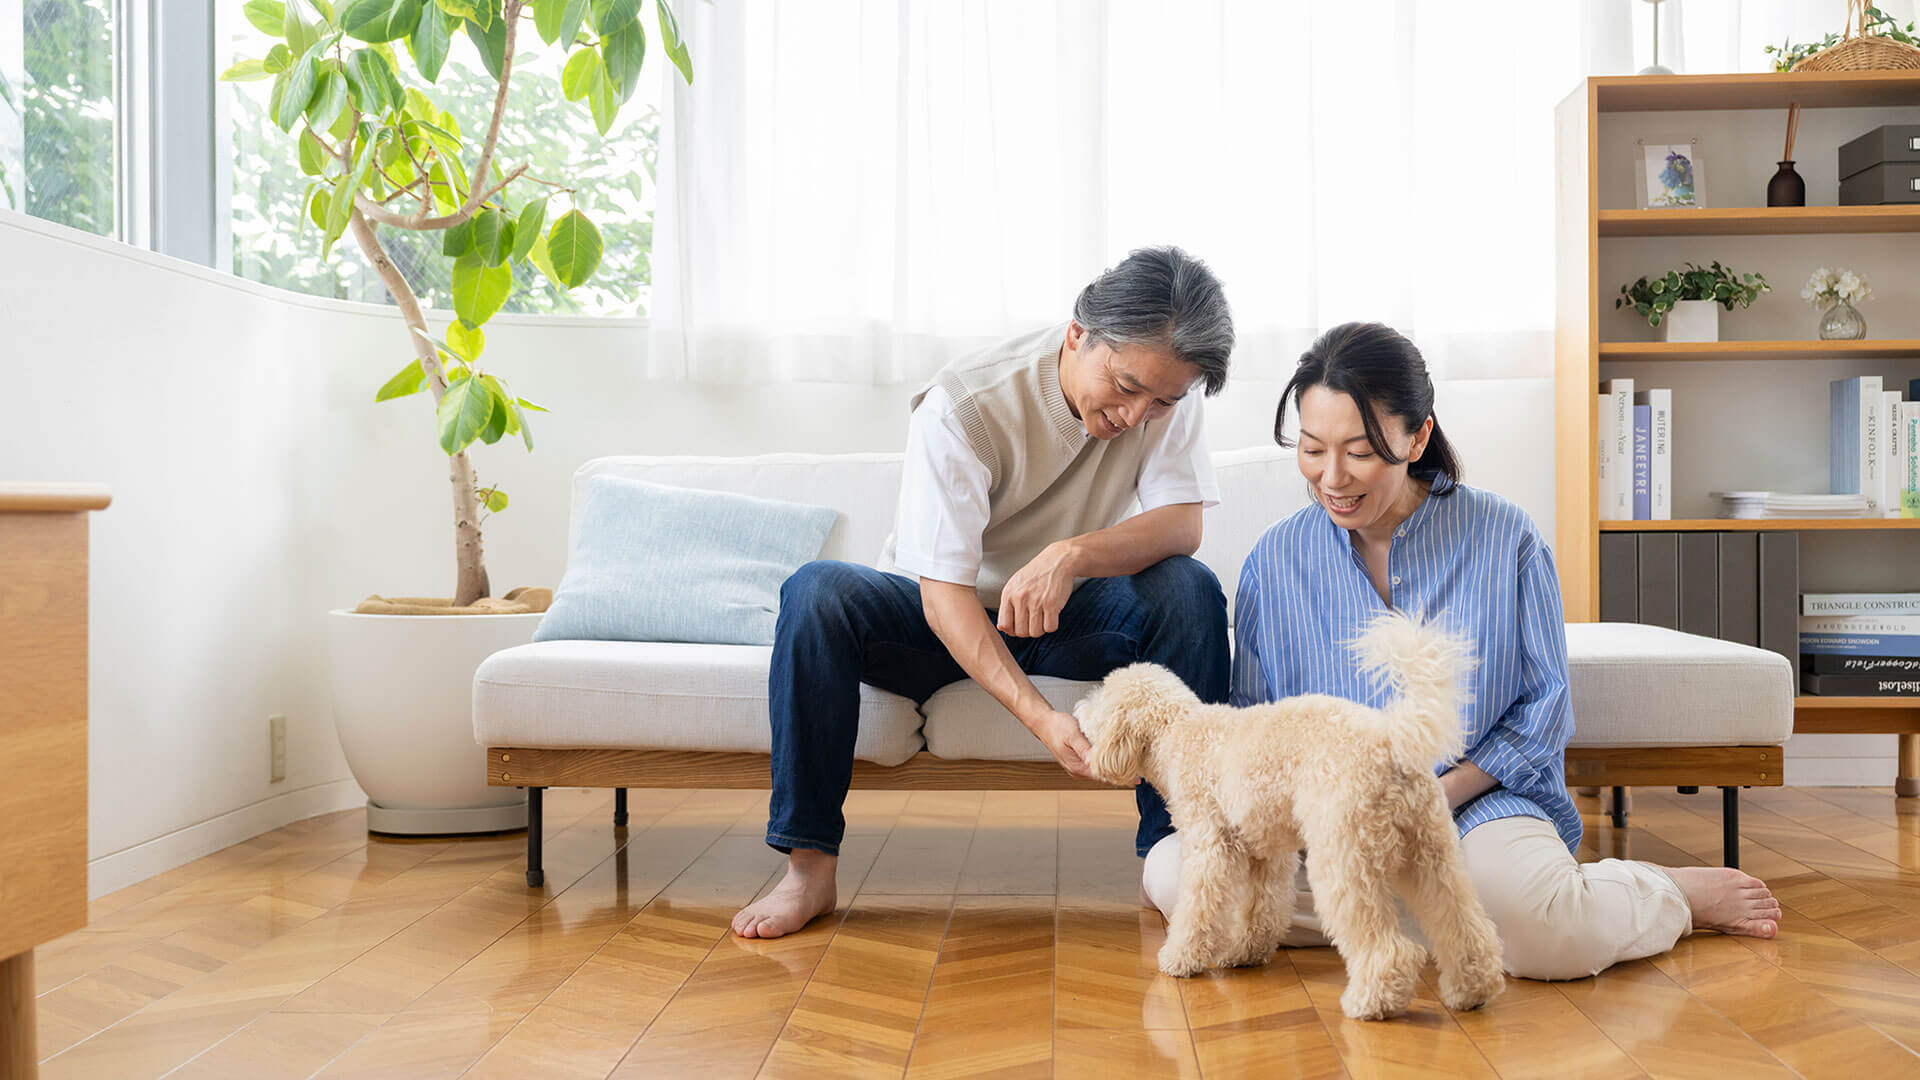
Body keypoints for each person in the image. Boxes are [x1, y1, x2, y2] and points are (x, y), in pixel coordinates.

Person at [1139, 321, 1780, 980]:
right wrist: (1322, 816)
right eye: (1311, 448)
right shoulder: (1276, 559)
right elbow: (1256, 719)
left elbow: (1543, 711)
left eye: (1359, 451)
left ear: (1418, 437)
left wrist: (1432, 795)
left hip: (1474, 804)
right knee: (1172, 875)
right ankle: (1453, 920)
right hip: (1320, 821)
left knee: (1551, 939)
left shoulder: (1505, 537)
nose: (1331, 477)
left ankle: (1656, 891)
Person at [733, 246, 1236, 939]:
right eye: (1124, 387)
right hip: (941, 615)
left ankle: (1174, 858)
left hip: (1059, 614)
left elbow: (1183, 526)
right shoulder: (963, 406)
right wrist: (1041, 720)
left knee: (1189, 590)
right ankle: (808, 870)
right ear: (1077, 334)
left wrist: (1072, 554)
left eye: (1162, 401)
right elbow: (943, 595)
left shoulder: (1163, 394)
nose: (1137, 413)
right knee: (817, 593)